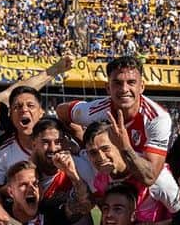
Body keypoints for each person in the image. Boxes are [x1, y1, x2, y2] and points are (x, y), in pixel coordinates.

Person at [56, 55, 172, 183]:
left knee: (162, 182)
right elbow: (61, 111)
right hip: (109, 172)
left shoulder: (157, 118)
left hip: (145, 181)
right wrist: (82, 141)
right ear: (107, 88)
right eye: (117, 83)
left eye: (131, 82)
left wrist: (125, 146)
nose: (124, 89)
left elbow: (150, 177)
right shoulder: (94, 111)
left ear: (142, 86)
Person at [81, 120, 180, 225]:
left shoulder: (156, 175)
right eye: (93, 152)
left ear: (119, 145)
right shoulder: (101, 178)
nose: (100, 157)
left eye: (106, 149)